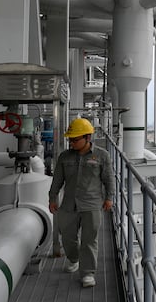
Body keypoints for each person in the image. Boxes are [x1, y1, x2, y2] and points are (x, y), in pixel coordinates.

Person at [49, 117, 115, 287]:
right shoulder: (64, 157)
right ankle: (74, 258)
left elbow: (108, 179)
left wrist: (109, 197)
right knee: (67, 237)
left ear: (87, 138)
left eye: (75, 139)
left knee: (89, 240)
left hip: (92, 204)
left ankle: (87, 273)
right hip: (69, 204)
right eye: (70, 139)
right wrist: (52, 198)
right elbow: (57, 180)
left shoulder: (102, 155)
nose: (72, 143)